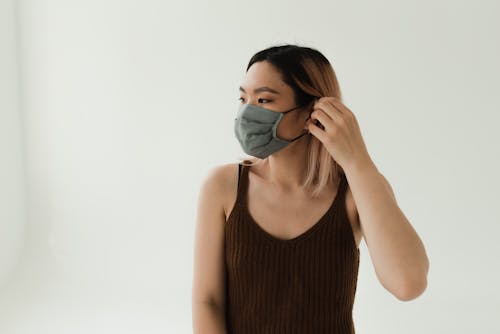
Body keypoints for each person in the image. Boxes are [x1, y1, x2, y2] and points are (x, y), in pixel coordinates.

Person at [192, 44, 429, 333]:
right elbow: (208, 301)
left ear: (312, 111)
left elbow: (408, 284)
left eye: (264, 100)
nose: (247, 113)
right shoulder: (223, 186)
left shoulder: (357, 189)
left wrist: (358, 162)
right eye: (243, 98)